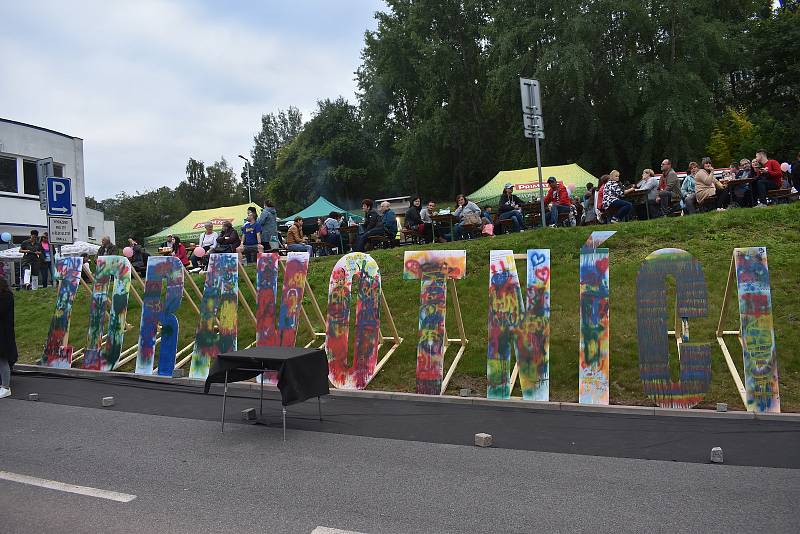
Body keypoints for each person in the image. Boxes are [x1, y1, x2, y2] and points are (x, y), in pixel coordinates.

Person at [0, 277, 18, 399]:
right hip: (3, 332)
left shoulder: (6, 297)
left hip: (3, 334)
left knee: (2, 360)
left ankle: (6, 387)